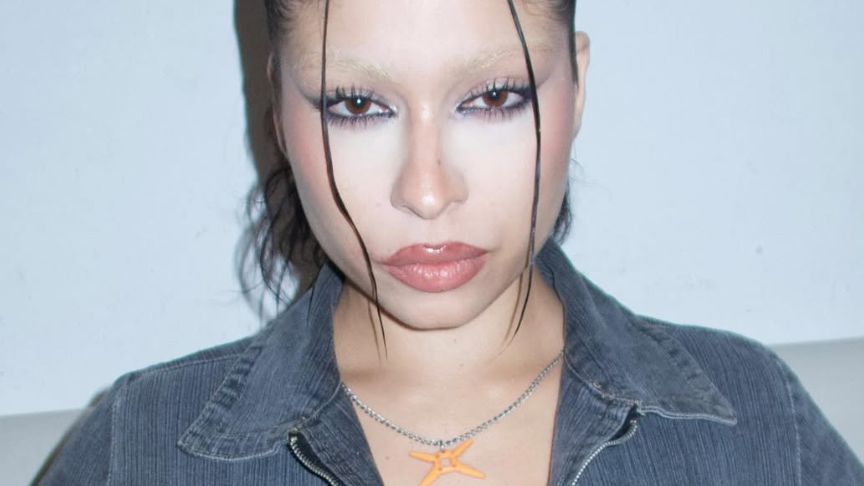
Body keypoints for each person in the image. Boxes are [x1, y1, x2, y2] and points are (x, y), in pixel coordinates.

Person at [37, 0, 863, 485]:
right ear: (279, 109)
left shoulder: (754, 424)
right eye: (356, 106)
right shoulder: (141, 446)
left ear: (577, 85)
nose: (428, 190)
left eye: (494, 97)